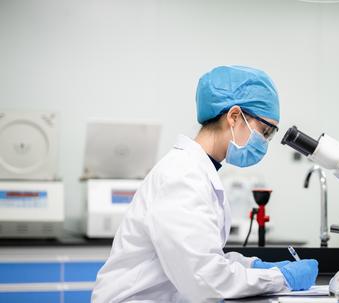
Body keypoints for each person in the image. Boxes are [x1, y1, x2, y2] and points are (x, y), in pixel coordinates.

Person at [92, 65, 319, 303]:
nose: (265, 142)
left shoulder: (196, 171)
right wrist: (279, 279)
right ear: (234, 117)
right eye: (265, 131)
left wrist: (254, 265)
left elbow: (201, 259)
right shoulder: (182, 176)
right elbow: (206, 280)